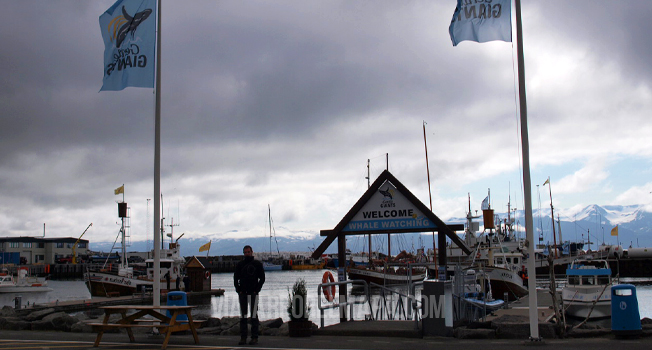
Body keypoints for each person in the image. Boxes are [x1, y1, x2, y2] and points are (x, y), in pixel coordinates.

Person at [233, 245, 265, 345]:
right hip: (243, 293)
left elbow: (262, 278)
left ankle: (254, 337)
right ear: (244, 253)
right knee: (243, 316)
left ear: (252, 252)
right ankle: (243, 337)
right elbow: (235, 278)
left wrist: (257, 290)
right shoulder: (240, 264)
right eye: (245, 252)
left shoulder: (257, 264)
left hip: (253, 293)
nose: (247, 254)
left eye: (248, 252)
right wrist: (239, 290)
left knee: (254, 315)